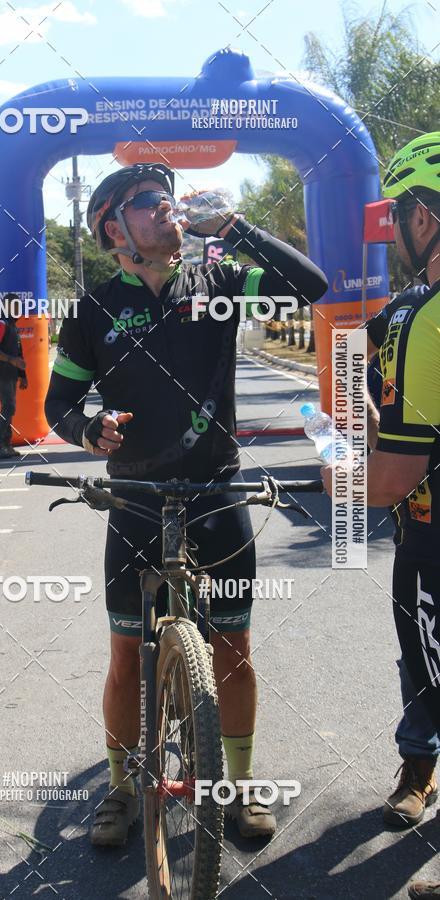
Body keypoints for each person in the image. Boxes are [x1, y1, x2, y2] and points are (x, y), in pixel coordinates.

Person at [45, 163, 328, 846]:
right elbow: (59, 404)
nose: (167, 208)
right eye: (149, 202)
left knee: (233, 647)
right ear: (114, 229)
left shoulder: (218, 284)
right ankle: (120, 788)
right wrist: (88, 429)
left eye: (168, 199)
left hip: (215, 494)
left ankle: (238, 783)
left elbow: (309, 288)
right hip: (137, 500)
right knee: (124, 653)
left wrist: (233, 226)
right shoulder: (92, 311)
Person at [322, 132, 440, 900]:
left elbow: (392, 480)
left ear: (422, 216)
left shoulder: (418, 317)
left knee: (427, 663)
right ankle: (418, 768)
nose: (393, 232)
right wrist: (368, 407)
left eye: (397, 215)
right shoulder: (402, 314)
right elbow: (355, 360)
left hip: (430, 536)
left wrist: (339, 469)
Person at [0, 293, 27, 460]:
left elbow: (18, 353)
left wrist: (23, 375)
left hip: (9, 372)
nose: (19, 309)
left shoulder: (12, 325)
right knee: (8, 406)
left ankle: (5, 445)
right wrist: (11, 360)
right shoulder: (0, 324)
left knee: (9, 407)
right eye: (15, 306)